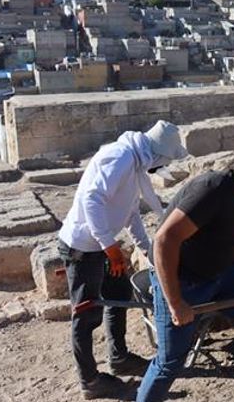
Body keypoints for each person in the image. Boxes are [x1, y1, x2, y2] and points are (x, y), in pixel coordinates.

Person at [136, 145, 234, 402]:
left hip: (220, 274)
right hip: (182, 281)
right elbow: (165, 240)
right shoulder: (212, 191)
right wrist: (176, 303)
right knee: (170, 361)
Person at [58, 120, 188, 400]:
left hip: (102, 246)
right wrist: (111, 247)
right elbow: (93, 200)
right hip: (83, 247)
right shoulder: (119, 157)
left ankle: (118, 357)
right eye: (164, 160)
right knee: (86, 313)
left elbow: (130, 212)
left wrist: (150, 251)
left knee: (118, 293)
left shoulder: (135, 165)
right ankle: (90, 381)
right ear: (157, 154)